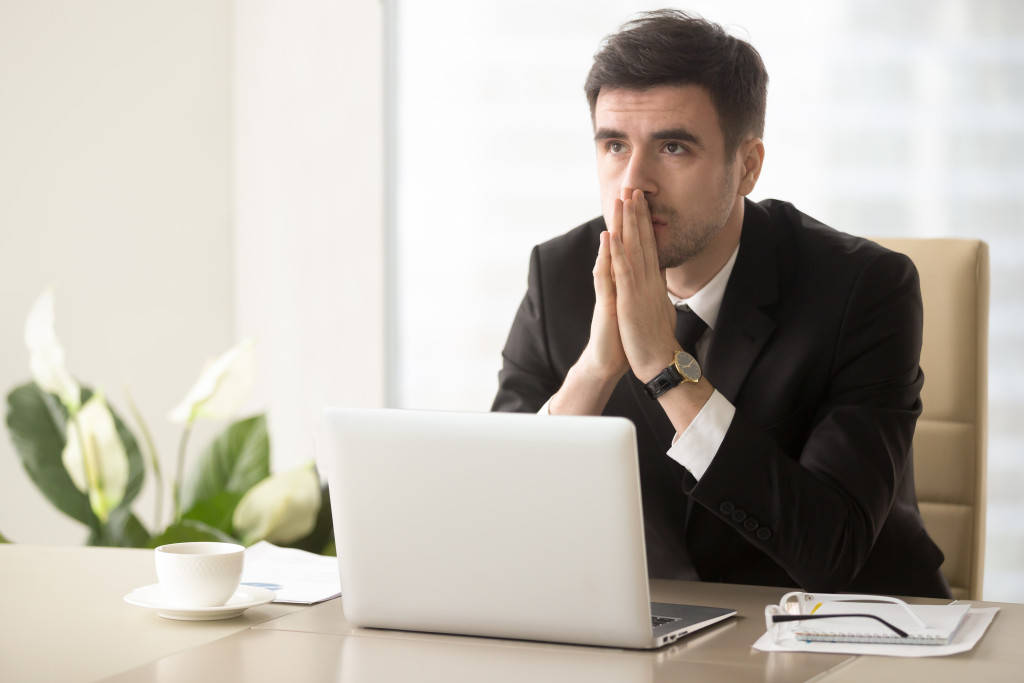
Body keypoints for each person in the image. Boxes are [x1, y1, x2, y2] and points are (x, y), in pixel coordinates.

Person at [491, 9, 951, 598]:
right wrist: (595, 370)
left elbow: (830, 551)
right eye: (613, 145)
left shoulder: (865, 290)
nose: (634, 183)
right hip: (653, 630)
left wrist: (664, 366)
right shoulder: (557, 275)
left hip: (847, 633)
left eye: (674, 147)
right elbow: (502, 521)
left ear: (747, 166)